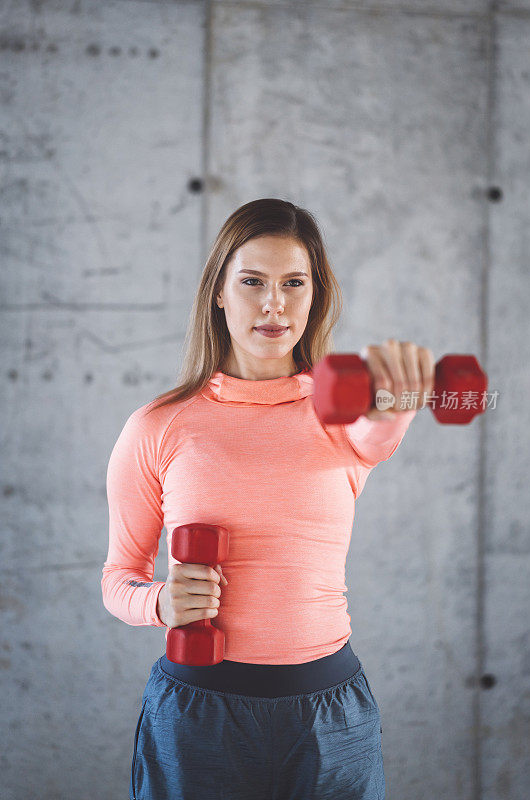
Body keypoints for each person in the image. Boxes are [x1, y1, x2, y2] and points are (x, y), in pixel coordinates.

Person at [102, 198, 434, 800]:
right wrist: (160, 603)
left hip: (331, 718)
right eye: (252, 281)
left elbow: (379, 432)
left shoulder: (342, 415)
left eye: (293, 283)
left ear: (315, 295)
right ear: (220, 293)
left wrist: (402, 399)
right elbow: (116, 580)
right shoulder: (157, 427)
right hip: (197, 715)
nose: (274, 303)